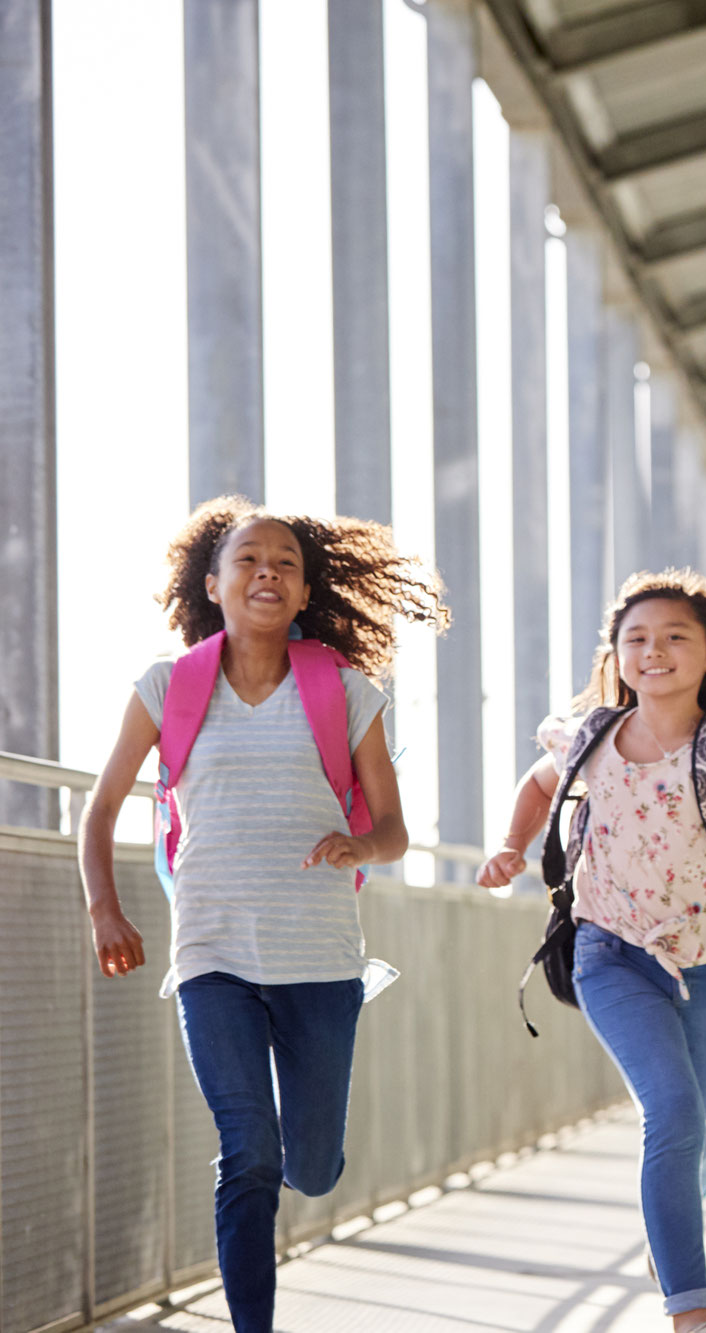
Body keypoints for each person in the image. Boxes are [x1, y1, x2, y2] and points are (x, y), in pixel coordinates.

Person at [77, 497, 446, 1333]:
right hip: (211, 955)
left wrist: (358, 845)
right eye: (247, 559)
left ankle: (310, 1159)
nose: (266, 572)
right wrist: (105, 907)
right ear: (213, 583)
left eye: (283, 561)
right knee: (248, 1154)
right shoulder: (166, 686)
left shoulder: (348, 692)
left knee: (308, 1168)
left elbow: (393, 829)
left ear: (306, 588)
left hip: (318, 959)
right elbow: (98, 813)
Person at [477, 570, 706, 1333]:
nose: (654, 650)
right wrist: (508, 847)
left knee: (704, 1134)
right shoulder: (588, 736)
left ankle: (671, 1235)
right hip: (610, 951)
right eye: (637, 639)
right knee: (673, 1108)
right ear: (618, 656)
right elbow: (535, 787)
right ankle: (690, 1309)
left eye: (674, 637)